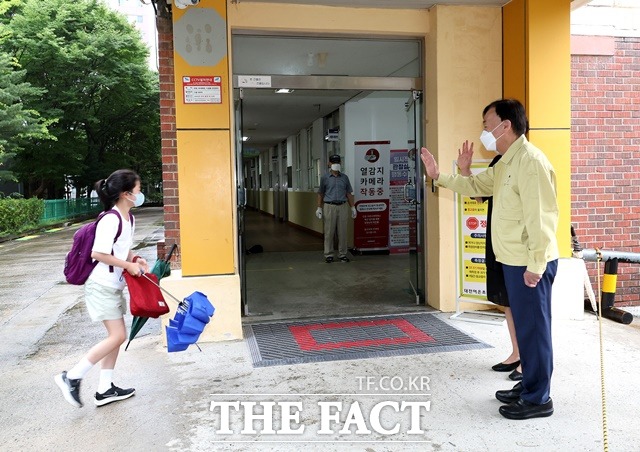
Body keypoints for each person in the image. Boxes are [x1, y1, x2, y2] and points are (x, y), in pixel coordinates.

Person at [421, 99, 559, 420]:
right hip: (512, 260)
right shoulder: (506, 163)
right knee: (526, 329)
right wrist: (439, 175)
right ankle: (529, 385)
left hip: (529, 263)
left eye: (487, 125)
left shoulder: (531, 162)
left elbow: (543, 218)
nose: (484, 131)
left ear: (505, 125)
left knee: (535, 329)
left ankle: (539, 398)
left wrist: (536, 265)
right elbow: (475, 185)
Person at [55, 169, 149, 408]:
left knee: (115, 337)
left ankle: (105, 388)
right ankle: (72, 377)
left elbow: (121, 248)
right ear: (127, 194)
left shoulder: (129, 218)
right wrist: (127, 265)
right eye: (138, 189)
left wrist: (134, 259)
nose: (140, 193)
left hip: (113, 285)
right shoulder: (111, 219)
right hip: (101, 286)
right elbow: (98, 253)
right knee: (118, 336)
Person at [457, 151, 522, 382]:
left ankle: (528, 361)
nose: (487, 131)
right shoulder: (498, 162)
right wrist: (465, 170)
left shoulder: (524, 161)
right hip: (496, 241)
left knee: (521, 303)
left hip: (516, 245)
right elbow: (479, 196)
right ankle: (517, 353)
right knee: (507, 301)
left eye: (490, 124)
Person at [316, 154, 357, 263]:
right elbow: (320, 193)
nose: (336, 165)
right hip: (329, 206)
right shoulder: (325, 178)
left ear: (340, 164)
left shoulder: (345, 177)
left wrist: (353, 207)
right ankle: (328, 254)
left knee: (342, 232)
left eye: (337, 163)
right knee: (329, 232)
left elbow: (348, 193)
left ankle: (342, 254)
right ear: (329, 164)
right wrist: (319, 208)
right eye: (333, 163)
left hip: (343, 206)